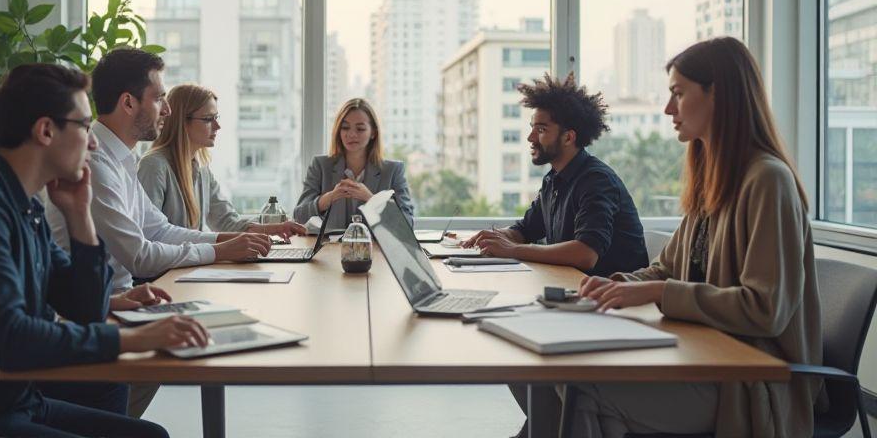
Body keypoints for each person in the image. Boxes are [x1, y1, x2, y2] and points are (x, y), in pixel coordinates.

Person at [0, 64, 209, 438]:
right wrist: (137, 339)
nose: (93, 143)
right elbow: (12, 339)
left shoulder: (26, 205)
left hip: (15, 400)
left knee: (147, 433)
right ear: (45, 130)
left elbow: (86, 309)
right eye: (84, 127)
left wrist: (79, 216)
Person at [571, 37, 823, 437]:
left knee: (583, 390)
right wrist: (616, 286)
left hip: (747, 380)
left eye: (678, 93)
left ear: (718, 94)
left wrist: (657, 292)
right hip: (700, 355)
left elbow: (765, 309)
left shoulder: (768, 180)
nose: (668, 109)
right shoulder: (713, 179)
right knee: (566, 383)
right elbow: (666, 269)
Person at [47, 48, 271, 418]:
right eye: (159, 98)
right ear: (128, 102)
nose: (167, 110)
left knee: (207, 329)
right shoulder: (97, 164)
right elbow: (140, 255)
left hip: (114, 302)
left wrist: (226, 242)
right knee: (188, 339)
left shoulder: (121, 160)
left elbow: (160, 228)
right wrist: (221, 251)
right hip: (91, 314)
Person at [460, 73, 648, 438]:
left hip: (613, 307)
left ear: (569, 136)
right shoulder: (554, 179)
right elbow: (525, 228)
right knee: (505, 335)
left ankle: (544, 427)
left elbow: (586, 254)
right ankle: (542, 427)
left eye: (541, 129)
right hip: (577, 301)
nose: (531, 137)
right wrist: (495, 238)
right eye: (532, 127)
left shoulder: (596, 180)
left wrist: (513, 249)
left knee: (516, 338)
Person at [137, 83, 305, 238]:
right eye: (208, 119)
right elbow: (151, 236)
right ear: (182, 122)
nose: (217, 126)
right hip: (172, 263)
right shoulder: (153, 166)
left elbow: (227, 222)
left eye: (216, 117)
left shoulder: (201, 169)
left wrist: (276, 228)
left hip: (194, 260)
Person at [293, 98, 414, 232]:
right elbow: (298, 217)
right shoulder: (320, 166)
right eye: (345, 128)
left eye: (360, 129)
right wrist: (329, 198)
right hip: (329, 245)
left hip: (374, 246)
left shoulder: (393, 171)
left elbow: (407, 224)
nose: (351, 134)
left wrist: (371, 199)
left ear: (373, 133)